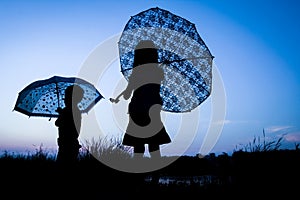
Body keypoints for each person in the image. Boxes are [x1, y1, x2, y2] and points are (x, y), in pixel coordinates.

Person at [110, 40, 171, 159]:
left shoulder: (137, 71)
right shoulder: (158, 71)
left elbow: (127, 95)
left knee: (138, 146)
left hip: (137, 110)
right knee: (154, 146)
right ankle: (155, 177)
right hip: (153, 110)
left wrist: (125, 93)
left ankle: (137, 175)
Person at [55, 84, 84, 165]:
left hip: (67, 145)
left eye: (67, 98)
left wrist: (61, 114)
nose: (65, 101)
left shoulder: (68, 111)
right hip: (70, 144)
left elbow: (57, 123)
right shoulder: (75, 111)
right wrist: (61, 113)